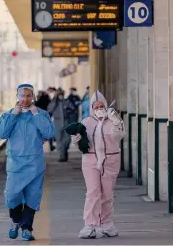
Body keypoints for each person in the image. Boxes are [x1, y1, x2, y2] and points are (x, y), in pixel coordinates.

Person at [0, 83, 55, 241]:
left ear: (33, 97)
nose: (25, 99)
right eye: (22, 95)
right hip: (16, 163)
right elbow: (2, 133)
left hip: (35, 163)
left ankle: (27, 228)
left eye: (29, 96)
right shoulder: (9, 114)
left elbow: (49, 133)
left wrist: (36, 114)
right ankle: (15, 221)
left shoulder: (40, 114)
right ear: (17, 97)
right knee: (12, 195)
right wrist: (13, 115)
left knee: (33, 196)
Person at [71, 90, 126, 239]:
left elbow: (118, 136)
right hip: (90, 161)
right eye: (96, 106)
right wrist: (76, 140)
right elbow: (79, 143)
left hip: (110, 160)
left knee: (107, 194)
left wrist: (116, 122)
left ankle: (106, 223)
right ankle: (90, 224)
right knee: (93, 192)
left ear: (106, 106)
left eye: (101, 105)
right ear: (91, 108)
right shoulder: (86, 122)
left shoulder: (114, 120)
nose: (99, 108)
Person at [47, 88, 75, 162]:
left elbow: (73, 109)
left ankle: (65, 151)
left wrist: (68, 111)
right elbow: (49, 111)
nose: (60, 96)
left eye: (61, 94)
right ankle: (61, 156)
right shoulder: (53, 103)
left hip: (66, 121)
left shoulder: (66, 101)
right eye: (59, 95)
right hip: (57, 122)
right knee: (59, 140)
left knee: (67, 139)